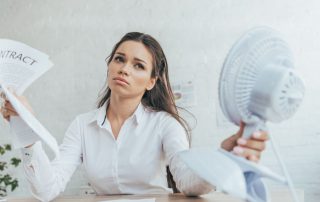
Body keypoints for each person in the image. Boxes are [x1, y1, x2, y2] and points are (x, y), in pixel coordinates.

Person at [0, 32, 268, 201]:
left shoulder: (165, 124)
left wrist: (222, 157)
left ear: (151, 81)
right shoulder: (82, 125)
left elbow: (188, 182)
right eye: (119, 59)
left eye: (138, 65)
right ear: (109, 66)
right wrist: (27, 132)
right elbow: (46, 190)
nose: (125, 69)